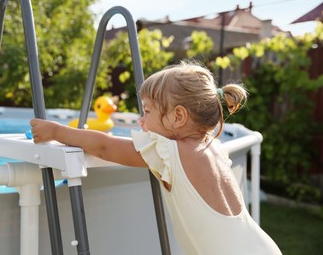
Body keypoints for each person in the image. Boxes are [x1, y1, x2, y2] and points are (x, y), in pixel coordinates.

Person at [30, 61, 282, 254]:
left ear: (178, 117)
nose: (142, 120)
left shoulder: (171, 153)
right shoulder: (211, 146)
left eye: (148, 111)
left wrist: (56, 131)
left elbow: (106, 147)